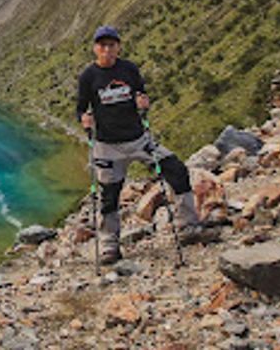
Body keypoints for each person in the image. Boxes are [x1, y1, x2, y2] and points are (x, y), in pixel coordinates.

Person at [76, 25, 212, 264]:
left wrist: (143, 102)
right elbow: (81, 107)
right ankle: (110, 247)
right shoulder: (89, 76)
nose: (107, 49)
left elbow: (141, 94)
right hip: (107, 146)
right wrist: (84, 119)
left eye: (112, 44)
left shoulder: (129, 69)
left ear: (118, 47)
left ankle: (188, 228)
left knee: (177, 170)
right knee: (109, 195)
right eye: (102, 45)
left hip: (139, 139)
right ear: (95, 48)